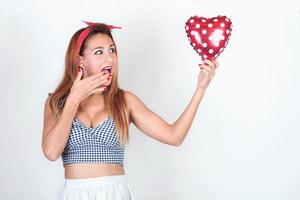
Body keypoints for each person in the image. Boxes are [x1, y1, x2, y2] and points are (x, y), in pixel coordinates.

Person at [41, 21, 219, 200]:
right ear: (81, 60)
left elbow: (174, 136)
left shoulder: (124, 101)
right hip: (74, 194)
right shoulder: (56, 102)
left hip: (115, 194)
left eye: (112, 50)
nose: (109, 58)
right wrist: (73, 100)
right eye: (99, 52)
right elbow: (51, 152)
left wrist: (200, 88)